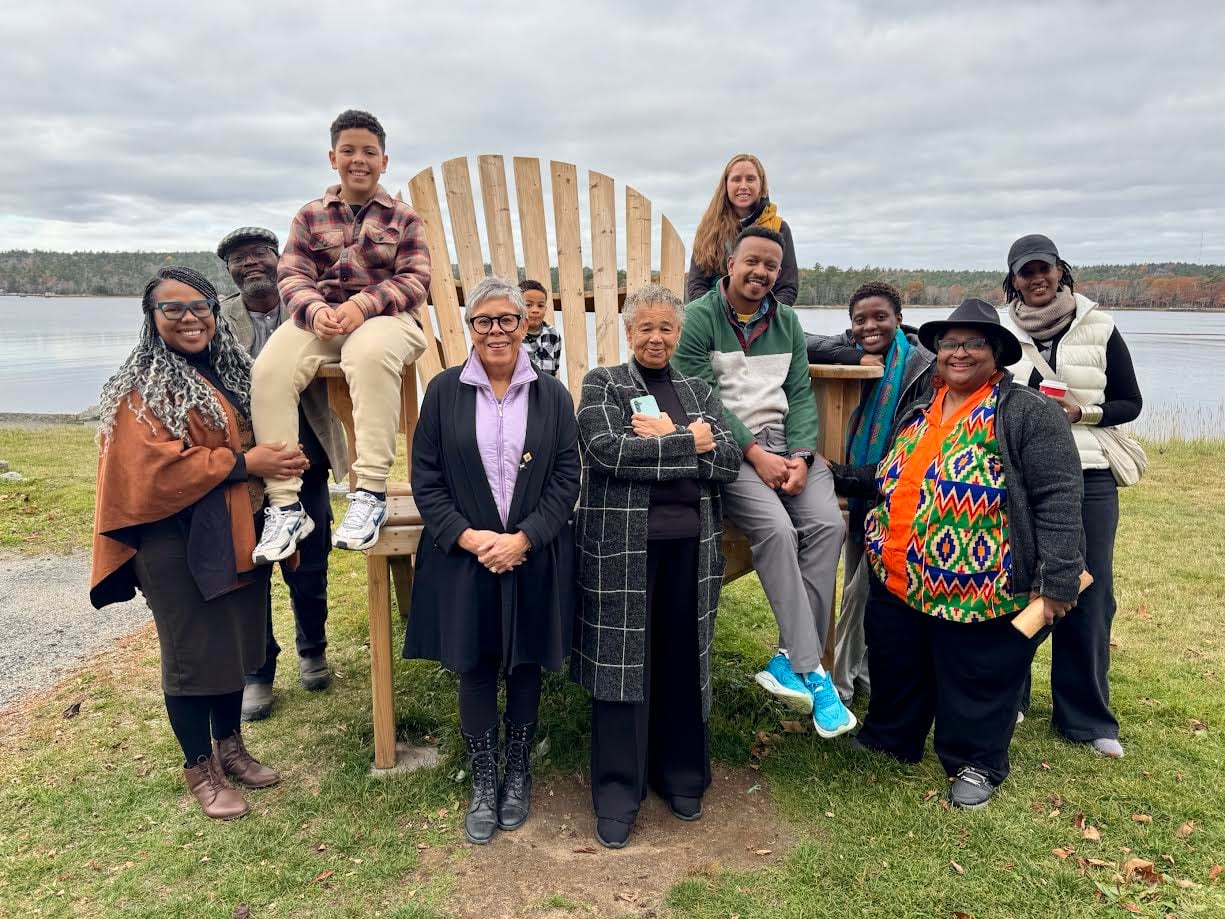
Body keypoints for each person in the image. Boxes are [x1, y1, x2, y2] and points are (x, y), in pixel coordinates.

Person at [834, 298, 1084, 808]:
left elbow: (1058, 496)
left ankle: (977, 762)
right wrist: (829, 471)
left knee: (978, 673)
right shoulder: (921, 407)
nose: (958, 353)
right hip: (898, 571)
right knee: (898, 662)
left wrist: (1057, 578)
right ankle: (891, 738)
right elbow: (890, 477)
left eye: (973, 343)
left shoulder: (1026, 413)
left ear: (996, 353)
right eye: (949, 344)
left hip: (981, 582)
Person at [90, 267, 302, 820]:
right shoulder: (144, 387)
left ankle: (230, 748)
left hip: (237, 531)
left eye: (199, 306)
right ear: (152, 319)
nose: (189, 318)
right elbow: (149, 469)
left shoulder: (232, 371)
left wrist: (279, 462)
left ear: (215, 310)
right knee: (191, 656)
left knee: (233, 645)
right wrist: (242, 462)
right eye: (173, 309)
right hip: (175, 544)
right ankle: (198, 766)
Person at [404, 277, 580, 845]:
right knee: (476, 663)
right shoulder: (442, 391)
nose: (497, 330)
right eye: (485, 321)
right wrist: (469, 537)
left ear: (525, 325)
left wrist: (525, 537)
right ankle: (485, 775)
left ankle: (519, 772)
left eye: (507, 319)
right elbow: (425, 479)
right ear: (469, 328)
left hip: (533, 553)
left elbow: (565, 477)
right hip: (466, 557)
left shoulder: (552, 395)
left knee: (526, 661)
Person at [572, 284, 741, 849]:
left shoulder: (697, 388)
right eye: (645, 327)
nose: (656, 338)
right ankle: (619, 790)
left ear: (678, 333)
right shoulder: (604, 385)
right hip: (624, 548)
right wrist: (689, 445)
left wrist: (669, 439)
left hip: (692, 550)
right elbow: (606, 451)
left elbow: (730, 459)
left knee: (680, 659)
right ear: (628, 332)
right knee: (624, 661)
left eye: (666, 328)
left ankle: (682, 774)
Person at [673, 226, 855, 738]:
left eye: (771, 266)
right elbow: (699, 397)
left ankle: (786, 659)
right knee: (776, 529)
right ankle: (812, 669)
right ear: (730, 262)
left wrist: (798, 456)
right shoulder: (700, 320)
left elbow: (800, 392)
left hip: (788, 444)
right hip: (731, 448)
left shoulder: (788, 321)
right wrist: (754, 453)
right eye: (752, 261)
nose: (760, 273)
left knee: (826, 525)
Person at [249, 109, 429, 564]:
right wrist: (315, 310)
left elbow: (416, 280)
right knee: (270, 369)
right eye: (348, 151)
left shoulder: (403, 218)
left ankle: (368, 490)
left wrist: (361, 306)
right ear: (333, 158)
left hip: (389, 319)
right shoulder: (310, 217)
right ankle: (285, 504)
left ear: (384, 161)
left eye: (369, 152)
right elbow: (290, 276)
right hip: (322, 319)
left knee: (367, 353)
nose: (359, 160)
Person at [1004, 234, 1143, 759]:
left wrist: (1083, 414)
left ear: (1061, 271)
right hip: (1020, 474)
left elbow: (1130, 401)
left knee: (1089, 590)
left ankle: (1085, 718)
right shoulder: (1000, 330)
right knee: (1019, 583)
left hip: (1089, 472)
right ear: (1012, 279)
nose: (1036, 279)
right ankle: (1011, 697)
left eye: (1044, 269)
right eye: (1025, 272)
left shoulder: (1100, 327)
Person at [215, 227, 349, 721]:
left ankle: (313, 648)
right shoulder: (216, 317)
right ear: (227, 269)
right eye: (237, 259)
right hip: (245, 465)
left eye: (259, 255)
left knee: (311, 561)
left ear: (279, 260)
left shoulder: (310, 307)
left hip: (305, 456)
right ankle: (257, 671)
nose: (250, 264)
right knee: (249, 568)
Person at [807, 282, 936, 702]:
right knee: (864, 585)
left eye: (880, 317)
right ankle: (863, 678)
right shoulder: (862, 351)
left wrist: (844, 474)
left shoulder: (922, 368)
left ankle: (841, 687)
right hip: (862, 492)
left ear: (899, 317)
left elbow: (908, 450)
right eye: (859, 320)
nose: (870, 326)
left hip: (895, 491)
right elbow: (801, 341)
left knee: (860, 591)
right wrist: (854, 354)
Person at [686, 154, 800, 306]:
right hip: (714, 318)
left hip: (764, 321)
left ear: (761, 185)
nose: (743, 186)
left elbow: (787, 287)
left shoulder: (779, 228)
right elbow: (697, 285)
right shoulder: (708, 229)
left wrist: (761, 319)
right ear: (726, 184)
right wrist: (714, 318)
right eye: (737, 179)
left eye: (751, 179)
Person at [519, 278, 562, 376]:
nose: (535, 310)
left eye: (540, 306)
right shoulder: (513, 336)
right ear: (517, 307)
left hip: (547, 389)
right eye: (528, 305)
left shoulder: (553, 335)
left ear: (545, 309)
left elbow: (555, 369)